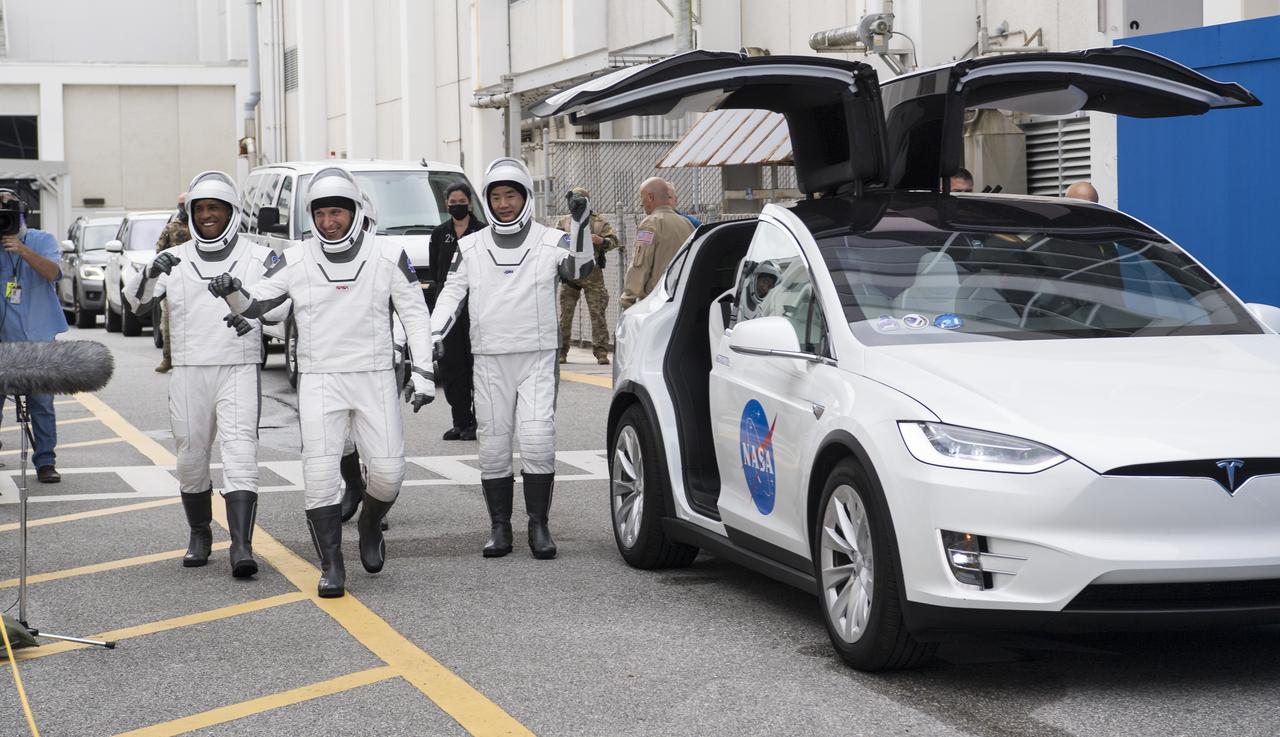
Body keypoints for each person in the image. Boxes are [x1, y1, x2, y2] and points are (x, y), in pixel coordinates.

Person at [210, 166, 435, 598]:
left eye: (338, 212)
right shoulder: (295, 258)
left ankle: (369, 523)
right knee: (319, 476)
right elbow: (256, 303)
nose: (329, 222)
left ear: (355, 211)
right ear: (311, 216)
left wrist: (423, 371)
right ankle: (332, 565)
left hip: (374, 377)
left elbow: (415, 314)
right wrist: (231, 290)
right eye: (321, 213)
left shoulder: (387, 255)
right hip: (318, 379)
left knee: (388, 473)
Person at [430, 158, 594, 560]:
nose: (504, 204)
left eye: (511, 195)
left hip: (537, 355)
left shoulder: (551, 240)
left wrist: (582, 225)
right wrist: (432, 334)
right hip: (489, 357)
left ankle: (539, 525)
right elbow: (452, 293)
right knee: (494, 446)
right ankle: (499, 527)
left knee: (538, 439)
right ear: (486, 201)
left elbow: (580, 270)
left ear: (526, 197)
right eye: (497, 197)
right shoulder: (470, 246)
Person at [125, 172, 281, 578]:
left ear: (231, 212)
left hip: (238, 366)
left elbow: (280, 309)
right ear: (190, 214)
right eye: (201, 209)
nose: (208, 215)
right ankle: (199, 532)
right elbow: (136, 305)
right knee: (191, 458)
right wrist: (149, 273)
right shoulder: (176, 259)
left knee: (241, 453)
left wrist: (246, 305)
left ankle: (242, 546)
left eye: (216, 208)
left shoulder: (256, 256)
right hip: (190, 370)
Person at [0, 188, 65, 483]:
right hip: (3, 341)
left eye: (11, 209)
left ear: (23, 211)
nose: (7, 216)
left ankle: (46, 461)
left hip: (39, 338)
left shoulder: (42, 240)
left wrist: (22, 250)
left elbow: (53, 273)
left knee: (41, 402)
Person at [425, 182, 483, 440]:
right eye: (452, 202)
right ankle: (460, 420)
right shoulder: (440, 234)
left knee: (476, 366)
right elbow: (436, 271)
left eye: (461, 202)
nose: (456, 206)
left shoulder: (483, 232)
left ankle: (478, 422)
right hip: (448, 311)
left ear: (469, 203)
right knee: (451, 366)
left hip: (475, 309)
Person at [556, 186, 619, 365]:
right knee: (566, 315)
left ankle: (601, 352)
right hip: (570, 273)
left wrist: (601, 241)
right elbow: (555, 243)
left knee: (597, 313)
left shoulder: (599, 222)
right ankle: (562, 351)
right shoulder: (565, 221)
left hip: (593, 273)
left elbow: (614, 241)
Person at [619, 177, 693, 310]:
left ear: (651, 197)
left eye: (642, 198)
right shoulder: (687, 224)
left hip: (656, 301)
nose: (642, 204)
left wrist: (628, 298)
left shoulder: (650, 224)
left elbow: (641, 263)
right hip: (683, 297)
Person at [152, 191, 191, 374]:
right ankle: (168, 358)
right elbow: (158, 252)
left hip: (194, 281)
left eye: (186, 205)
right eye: (180, 205)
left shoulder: (200, 228)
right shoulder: (170, 228)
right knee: (167, 321)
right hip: (172, 281)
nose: (182, 209)